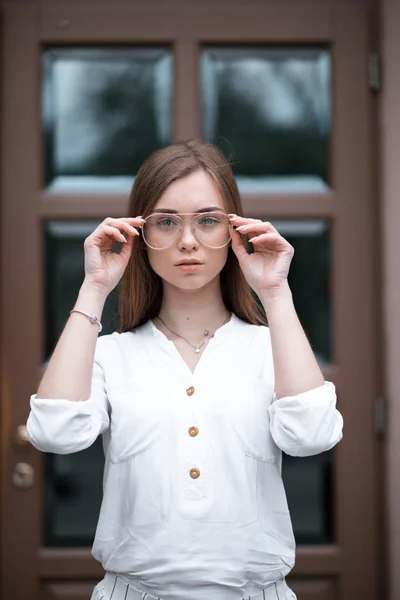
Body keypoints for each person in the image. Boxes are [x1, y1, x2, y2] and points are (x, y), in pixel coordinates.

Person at [26, 139, 343, 600]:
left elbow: (312, 434)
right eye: (167, 222)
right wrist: (94, 287)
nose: (188, 240)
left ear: (236, 231)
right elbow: (54, 432)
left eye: (208, 220)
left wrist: (276, 294)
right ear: (138, 233)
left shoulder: (270, 347)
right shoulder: (111, 354)